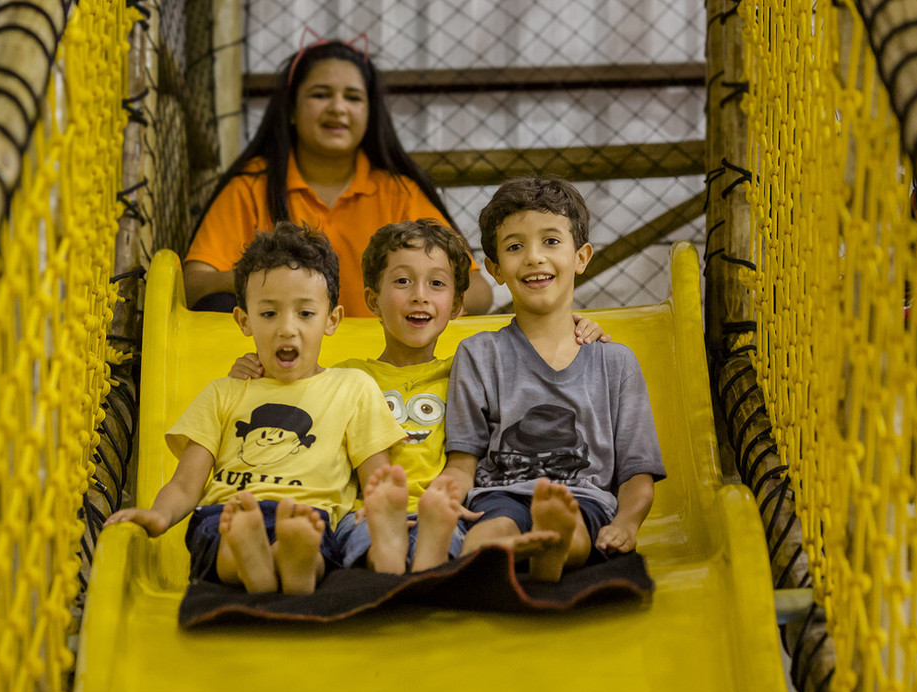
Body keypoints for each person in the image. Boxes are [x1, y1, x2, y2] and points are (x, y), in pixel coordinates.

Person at [229, 218, 608, 573]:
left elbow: (534, 375)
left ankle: (427, 557)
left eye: (437, 285)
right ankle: (405, 559)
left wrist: (577, 329)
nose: (419, 297)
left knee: (466, 544)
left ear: (456, 306)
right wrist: (253, 370)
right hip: (365, 512)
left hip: (447, 512)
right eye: (403, 282)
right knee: (368, 544)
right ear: (373, 300)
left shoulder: (468, 371)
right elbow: (289, 403)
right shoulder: (343, 377)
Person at [104, 222, 405, 595]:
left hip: (308, 518)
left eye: (305, 314)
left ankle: (274, 566)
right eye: (268, 314)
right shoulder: (224, 393)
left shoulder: (352, 388)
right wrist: (159, 514)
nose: (287, 329)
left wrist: (380, 511)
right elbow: (186, 483)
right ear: (244, 321)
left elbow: (378, 473)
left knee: (309, 546)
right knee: (227, 543)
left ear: (332, 320)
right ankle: (258, 560)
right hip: (229, 514)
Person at [442, 176, 666, 582]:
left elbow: (637, 475)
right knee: (487, 534)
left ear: (581, 257)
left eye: (551, 241)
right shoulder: (479, 355)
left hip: (580, 500)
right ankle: (523, 553)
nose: (533, 258)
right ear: (493, 269)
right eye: (514, 247)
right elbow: (462, 463)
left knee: (575, 528)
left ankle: (552, 546)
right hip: (498, 496)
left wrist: (627, 525)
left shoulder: (615, 364)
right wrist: (438, 507)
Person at [182, 37, 493, 318]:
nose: (338, 108)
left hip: (383, 368)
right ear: (290, 109)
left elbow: (478, 289)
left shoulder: (398, 193)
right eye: (321, 94)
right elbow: (193, 283)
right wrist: (259, 276)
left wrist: (426, 307)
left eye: (353, 98)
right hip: (279, 368)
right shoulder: (251, 187)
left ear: (370, 115)